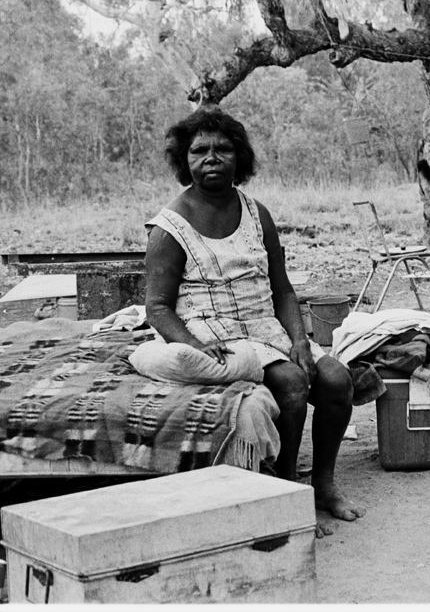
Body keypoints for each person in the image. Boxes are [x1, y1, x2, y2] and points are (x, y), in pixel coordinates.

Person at [144, 105, 363, 529]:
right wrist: (192, 345)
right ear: (183, 161)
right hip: (214, 333)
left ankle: (324, 484)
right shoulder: (169, 227)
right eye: (199, 150)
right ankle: (285, 493)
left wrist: (300, 338)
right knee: (293, 383)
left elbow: (281, 288)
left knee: (336, 379)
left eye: (223, 149)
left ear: (239, 158)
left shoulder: (256, 213)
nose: (211, 158)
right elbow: (157, 308)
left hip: (266, 328)